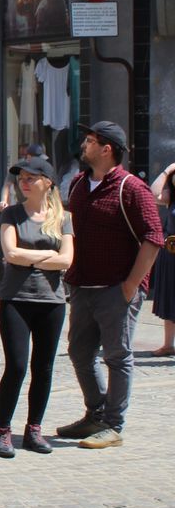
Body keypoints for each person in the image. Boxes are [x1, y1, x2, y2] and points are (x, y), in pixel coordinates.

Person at [58, 121, 162, 449]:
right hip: (82, 286)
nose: (83, 145)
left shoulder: (130, 187)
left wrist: (132, 284)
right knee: (79, 352)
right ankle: (96, 413)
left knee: (117, 356)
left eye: (90, 141)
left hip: (116, 289)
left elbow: (154, 238)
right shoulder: (77, 184)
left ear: (107, 149)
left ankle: (113, 425)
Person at [0, 155, 74, 457]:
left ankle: (34, 430)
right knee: (15, 366)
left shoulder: (63, 218)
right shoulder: (12, 215)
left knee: (43, 368)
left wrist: (30, 257)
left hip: (52, 301)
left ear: (48, 182)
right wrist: (46, 258)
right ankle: (3, 431)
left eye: (31, 178)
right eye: (21, 178)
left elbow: (67, 260)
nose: (23, 182)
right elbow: (11, 254)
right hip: (16, 299)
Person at [147, 159, 175, 357]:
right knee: (170, 297)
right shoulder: (171, 197)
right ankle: (168, 344)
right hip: (171, 252)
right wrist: (168, 169)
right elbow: (153, 193)